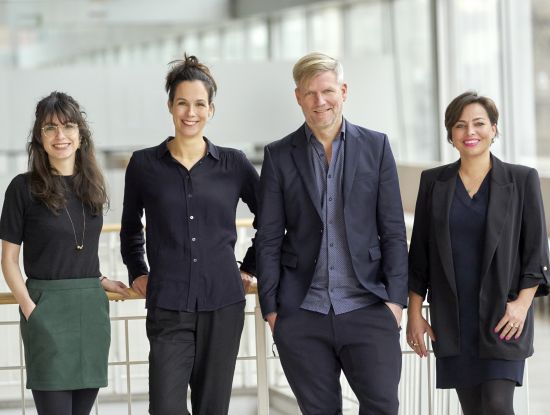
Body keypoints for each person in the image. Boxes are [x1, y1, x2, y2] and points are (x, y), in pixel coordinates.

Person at [256, 52, 408, 414]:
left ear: (343, 90)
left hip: (369, 306)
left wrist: (395, 304)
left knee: (382, 408)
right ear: (298, 97)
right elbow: (269, 237)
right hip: (301, 312)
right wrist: (273, 310)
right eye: (309, 93)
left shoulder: (376, 146)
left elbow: (393, 230)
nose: (319, 101)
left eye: (327, 91)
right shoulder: (278, 156)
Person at [120, 54, 259, 415]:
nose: (190, 112)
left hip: (223, 302)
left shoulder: (235, 164)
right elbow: (130, 226)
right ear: (170, 105)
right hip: (168, 305)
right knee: (165, 408)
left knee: (213, 408)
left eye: (199, 104)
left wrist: (251, 265)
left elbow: (272, 219)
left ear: (211, 109)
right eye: (182, 103)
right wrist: (138, 271)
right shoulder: (144, 165)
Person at [407, 91, 550, 415]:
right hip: (453, 320)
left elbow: (536, 252)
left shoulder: (521, 179)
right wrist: (414, 314)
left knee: (498, 405)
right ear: (451, 134)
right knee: (473, 409)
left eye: (478, 123)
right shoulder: (434, 182)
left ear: (494, 128)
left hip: (504, 317)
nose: (470, 132)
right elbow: (420, 256)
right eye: (460, 125)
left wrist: (522, 306)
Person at [0, 91, 129, 415]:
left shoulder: (93, 187)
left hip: (90, 310)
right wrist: (31, 310)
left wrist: (98, 279)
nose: (61, 136)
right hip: (46, 310)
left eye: (68, 126)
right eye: (50, 128)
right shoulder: (22, 188)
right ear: (38, 138)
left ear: (80, 134)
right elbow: (9, 260)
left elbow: (75, 246)